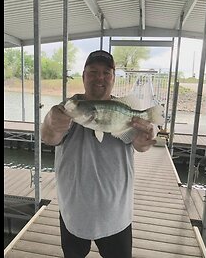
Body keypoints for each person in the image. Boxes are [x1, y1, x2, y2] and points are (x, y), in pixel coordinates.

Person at [40, 50, 157, 258]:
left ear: (113, 77)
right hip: (74, 213)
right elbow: (49, 136)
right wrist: (51, 121)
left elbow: (140, 144)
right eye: (93, 71)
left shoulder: (123, 110)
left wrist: (144, 140)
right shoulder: (69, 108)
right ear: (83, 76)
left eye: (106, 72)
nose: (99, 77)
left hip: (116, 214)